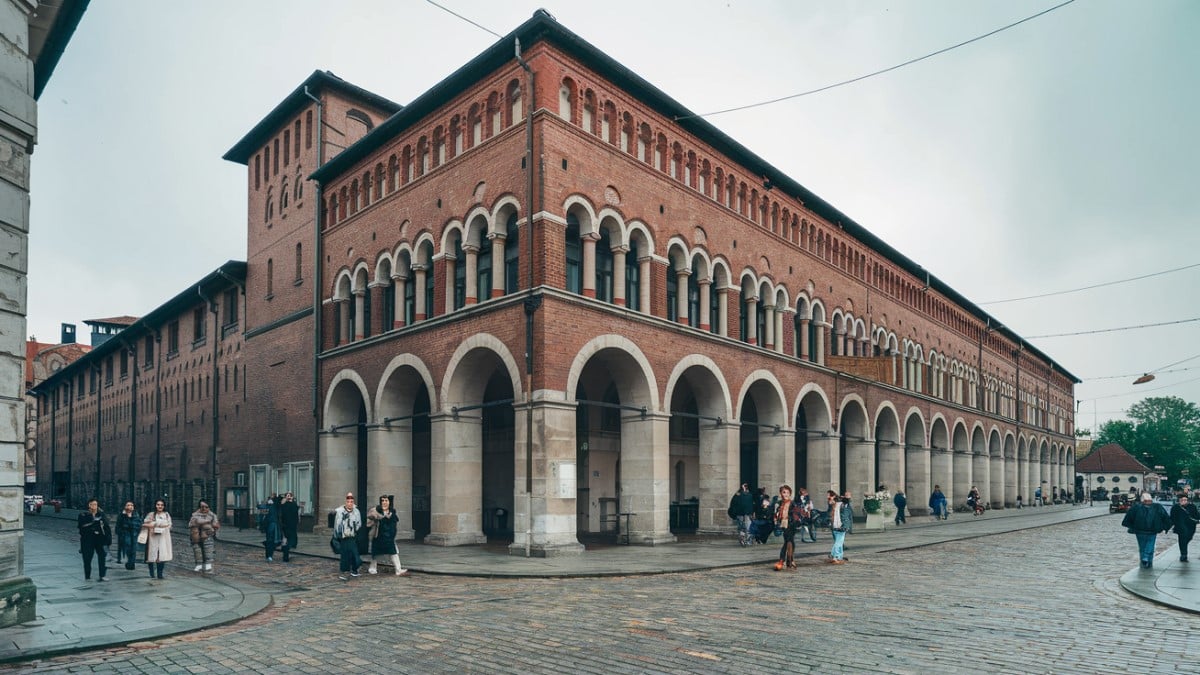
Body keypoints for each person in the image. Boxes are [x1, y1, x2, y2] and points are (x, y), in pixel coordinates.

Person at [1122, 492, 1172, 569]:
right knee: (1150, 545)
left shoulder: (1136, 507)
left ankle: (1144, 562)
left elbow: (1128, 519)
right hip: (1151, 530)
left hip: (1141, 531)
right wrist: (1165, 527)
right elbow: (1165, 517)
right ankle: (1147, 560)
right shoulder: (1157, 507)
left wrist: (1132, 527)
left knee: (1142, 547)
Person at [366, 494, 410, 576]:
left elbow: (394, 523)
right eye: (382, 501)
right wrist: (378, 517)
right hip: (378, 535)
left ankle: (398, 569)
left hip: (389, 536)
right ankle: (372, 567)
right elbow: (369, 517)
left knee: (393, 552)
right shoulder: (376, 510)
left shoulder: (392, 512)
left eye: (386, 501)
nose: (384, 502)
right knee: (375, 553)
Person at [77, 498, 112, 582]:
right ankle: (87, 576)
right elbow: (81, 527)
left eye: (95, 504)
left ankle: (102, 575)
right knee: (87, 558)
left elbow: (106, 526)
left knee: (102, 556)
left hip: (100, 539)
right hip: (87, 539)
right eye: (92, 504)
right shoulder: (83, 515)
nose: (94, 506)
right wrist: (93, 522)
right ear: (89, 505)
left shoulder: (101, 514)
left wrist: (108, 540)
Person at [772, 485, 802, 571]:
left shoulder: (792, 503)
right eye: (784, 492)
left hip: (791, 524)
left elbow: (796, 514)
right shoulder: (779, 503)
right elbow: (775, 513)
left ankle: (783, 560)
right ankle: (790, 560)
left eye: (787, 492)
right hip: (783, 524)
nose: (786, 494)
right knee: (788, 541)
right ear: (781, 493)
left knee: (789, 541)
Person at [334, 493, 363, 580]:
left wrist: (355, 529)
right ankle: (344, 572)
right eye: (348, 502)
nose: (350, 503)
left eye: (351, 502)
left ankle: (354, 570)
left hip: (352, 535)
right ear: (346, 502)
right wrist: (337, 534)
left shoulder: (356, 511)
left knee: (354, 553)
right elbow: (337, 524)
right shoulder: (340, 512)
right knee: (345, 555)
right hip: (343, 536)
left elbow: (359, 523)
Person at [142, 498, 173, 580]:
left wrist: (158, 524)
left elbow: (169, 524)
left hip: (163, 537)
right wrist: (157, 524)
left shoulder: (166, 514)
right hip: (153, 536)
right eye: (158, 505)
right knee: (151, 555)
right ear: (155, 505)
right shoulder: (151, 514)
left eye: (162, 505)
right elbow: (145, 523)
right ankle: (151, 572)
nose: (160, 506)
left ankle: (160, 573)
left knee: (161, 555)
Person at [188, 500, 220, 573]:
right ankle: (199, 564)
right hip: (196, 536)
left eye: (206, 507)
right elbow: (192, 523)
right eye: (202, 507)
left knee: (208, 550)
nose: (204, 509)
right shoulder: (195, 515)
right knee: (197, 550)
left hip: (207, 536)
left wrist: (213, 529)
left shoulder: (212, 515)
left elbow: (216, 525)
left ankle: (208, 565)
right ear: (199, 507)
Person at [1169, 494, 1200, 563]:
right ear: (1179, 501)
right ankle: (1183, 555)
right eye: (1182, 500)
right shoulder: (1176, 507)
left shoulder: (1192, 506)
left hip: (1191, 526)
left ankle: (1183, 550)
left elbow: (1196, 515)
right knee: (1182, 540)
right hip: (1180, 527)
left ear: (1187, 500)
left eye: (1185, 500)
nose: (1183, 501)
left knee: (1188, 538)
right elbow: (1172, 517)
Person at [116, 500, 141, 570]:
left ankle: (131, 564)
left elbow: (139, 524)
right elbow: (118, 526)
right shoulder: (122, 515)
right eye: (128, 505)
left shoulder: (136, 514)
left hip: (134, 534)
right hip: (125, 535)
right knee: (128, 548)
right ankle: (130, 563)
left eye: (131, 505)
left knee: (133, 550)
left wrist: (136, 530)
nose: (130, 507)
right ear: (125, 507)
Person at [827, 491, 851, 564]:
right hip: (835, 525)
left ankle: (837, 556)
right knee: (838, 542)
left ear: (834, 497)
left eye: (829, 496)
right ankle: (836, 557)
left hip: (840, 525)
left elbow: (846, 502)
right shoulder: (832, 506)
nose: (828, 499)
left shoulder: (841, 504)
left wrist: (846, 497)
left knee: (839, 542)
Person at [259, 493, 282, 562]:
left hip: (273, 524)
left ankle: (269, 555)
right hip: (268, 525)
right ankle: (268, 555)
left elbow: (278, 501)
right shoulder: (268, 506)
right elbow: (260, 507)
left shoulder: (274, 505)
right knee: (270, 540)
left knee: (271, 540)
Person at [278, 491, 300, 562]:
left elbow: (295, 512)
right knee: (288, 540)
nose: (289, 497)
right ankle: (286, 553)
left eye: (290, 496)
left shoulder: (292, 505)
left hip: (289, 525)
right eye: (288, 496)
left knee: (287, 540)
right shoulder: (287, 505)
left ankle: (285, 554)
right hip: (287, 525)